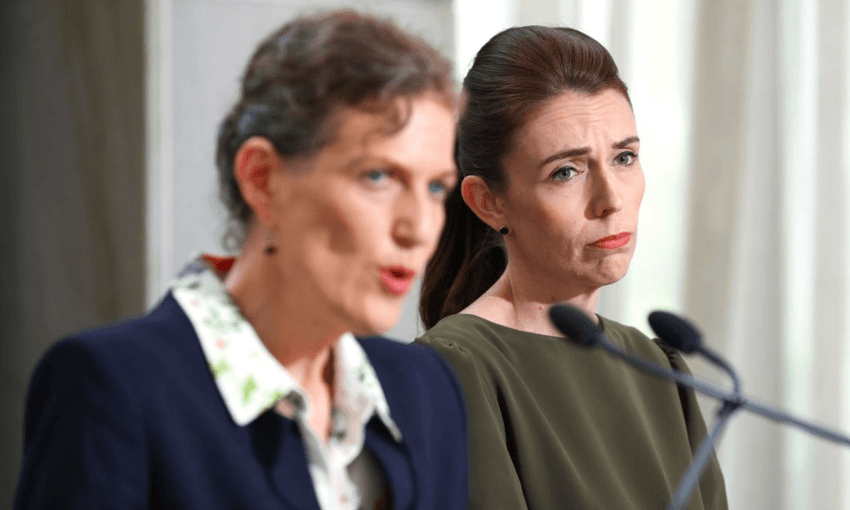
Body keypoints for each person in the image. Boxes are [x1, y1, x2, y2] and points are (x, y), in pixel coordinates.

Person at [15, 9, 466, 510]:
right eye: (378, 177)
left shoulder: (426, 391)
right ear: (262, 179)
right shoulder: (113, 389)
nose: (420, 228)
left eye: (435, 188)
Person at [416, 25, 728, 510]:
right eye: (567, 171)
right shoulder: (455, 368)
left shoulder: (659, 367)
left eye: (625, 157)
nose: (612, 199)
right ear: (489, 202)